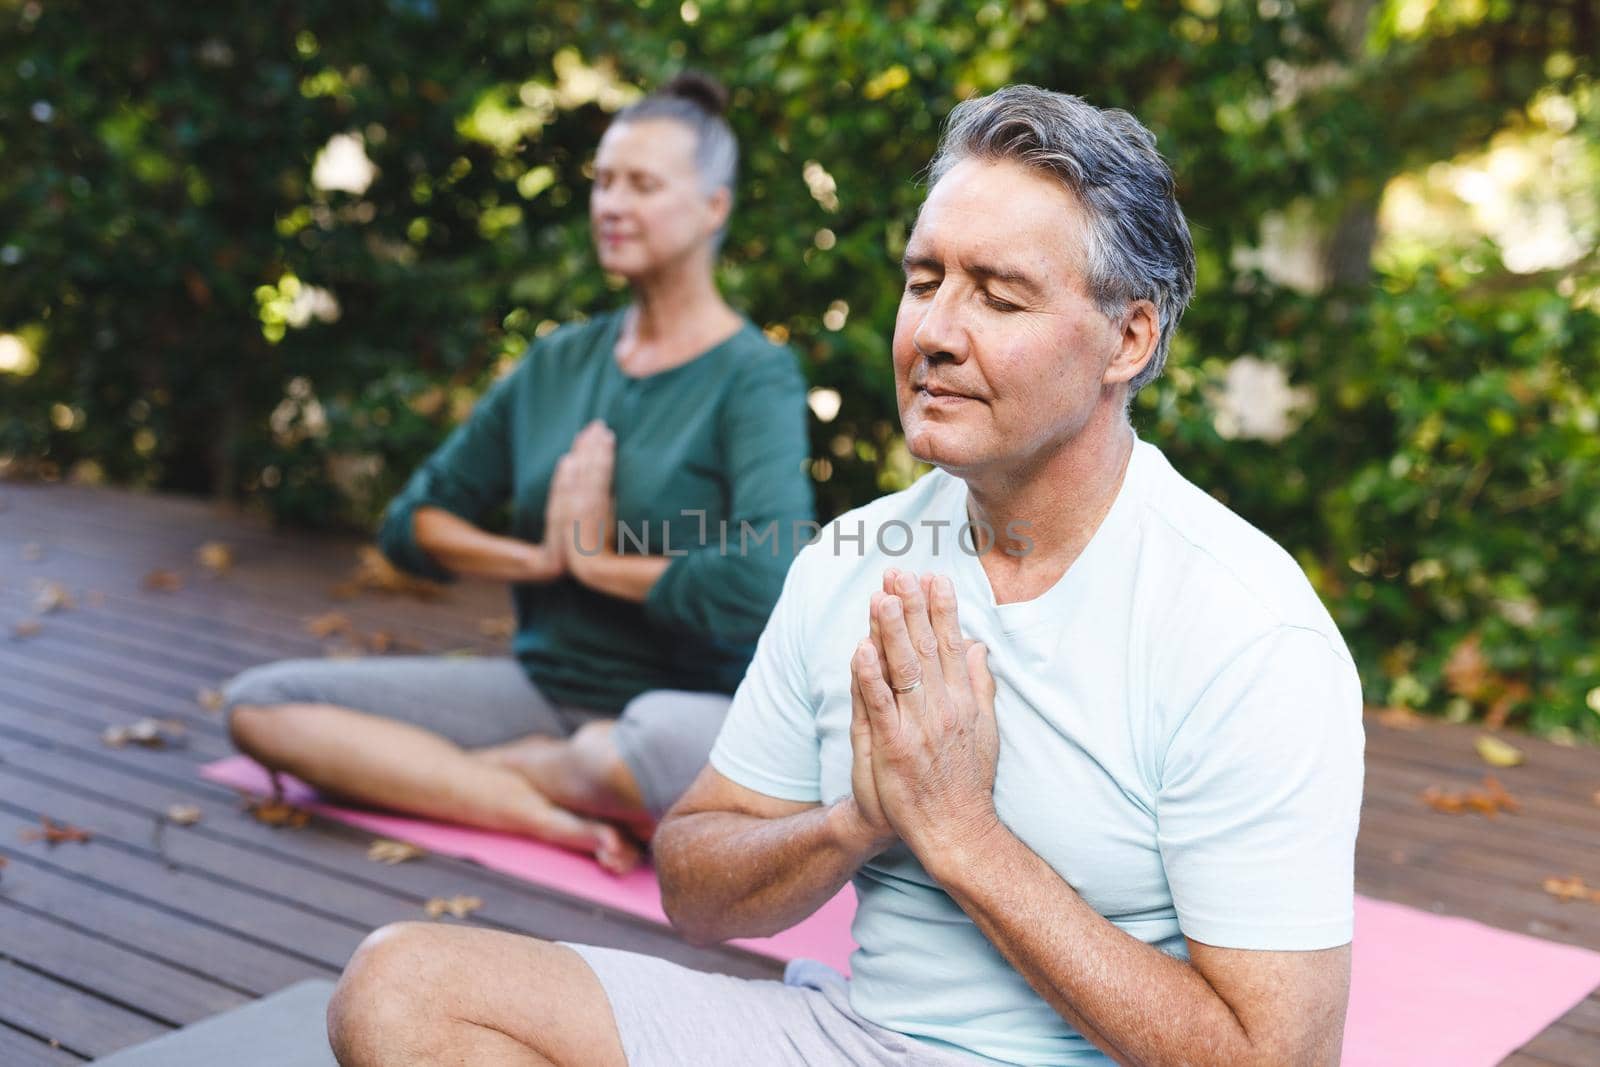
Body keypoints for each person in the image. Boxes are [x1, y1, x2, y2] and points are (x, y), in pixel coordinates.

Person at [325, 85, 1364, 1066]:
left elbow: (1273, 1055)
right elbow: (694, 880)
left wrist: (962, 836)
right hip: (849, 1038)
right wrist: (853, 820)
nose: (935, 334)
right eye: (924, 281)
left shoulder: (1242, 625)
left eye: (998, 297)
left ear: (1125, 338)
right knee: (403, 985)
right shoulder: (853, 559)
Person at [224, 72, 814, 875]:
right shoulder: (557, 362)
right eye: (603, 182)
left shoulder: (754, 375)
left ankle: (506, 774)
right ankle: (535, 802)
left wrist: (597, 562)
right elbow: (414, 524)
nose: (611, 204)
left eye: (642, 184)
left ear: (713, 207)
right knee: (262, 707)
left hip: (684, 709)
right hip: (542, 690)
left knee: (632, 750)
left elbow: (768, 576)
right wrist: (537, 559)